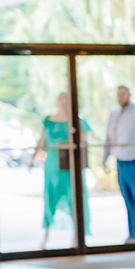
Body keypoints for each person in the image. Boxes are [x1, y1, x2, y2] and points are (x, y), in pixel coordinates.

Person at [31, 92, 91, 250]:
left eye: (67, 100)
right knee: (50, 200)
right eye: (61, 100)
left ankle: (77, 238)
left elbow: (84, 141)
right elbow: (41, 141)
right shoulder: (48, 121)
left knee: (74, 200)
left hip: (70, 167)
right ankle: (45, 237)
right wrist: (32, 159)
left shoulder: (78, 120)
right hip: (52, 167)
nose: (63, 103)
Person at [103, 85, 135, 244]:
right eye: (118, 94)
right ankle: (132, 234)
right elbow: (108, 137)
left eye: (123, 94)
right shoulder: (114, 113)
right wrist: (104, 159)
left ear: (129, 94)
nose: (121, 97)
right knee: (128, 200)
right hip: (121, 161)